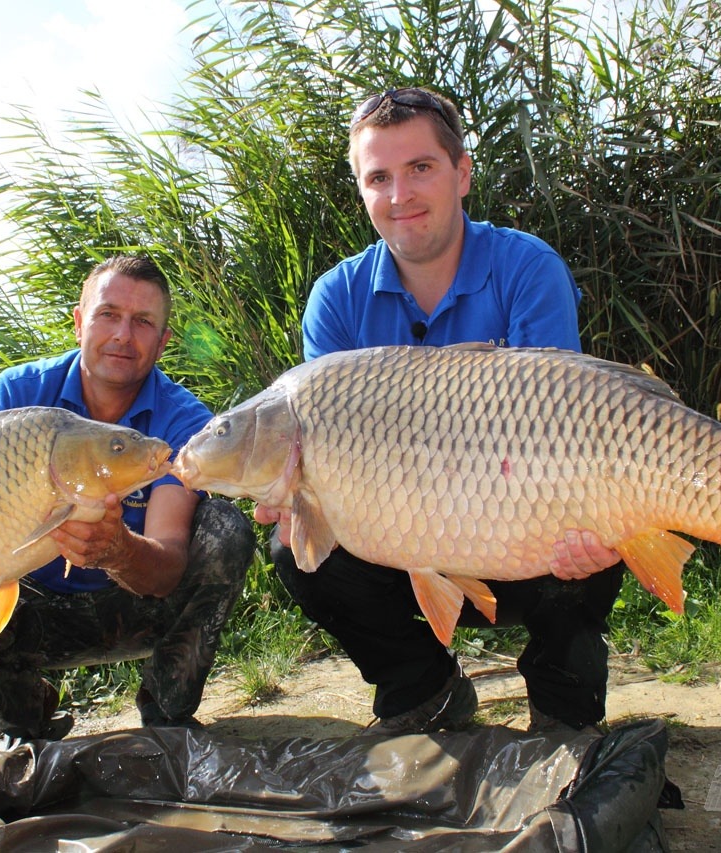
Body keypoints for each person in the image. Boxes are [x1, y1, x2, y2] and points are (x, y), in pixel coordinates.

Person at [256, 87, 625, 736]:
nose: (400, 195)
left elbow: (566, 432)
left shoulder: (527, 268)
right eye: (379, 177)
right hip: (396, 538)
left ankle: (565, 709)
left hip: (522, 527)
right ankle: (421, 689)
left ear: (462, 173)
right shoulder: (336, 300)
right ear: (362, 189)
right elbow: (328, 461)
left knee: (600, 517)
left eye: (420, 168)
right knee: (295, 542)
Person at [0, 255, 255, 740]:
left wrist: (118, 550)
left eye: (143, 322)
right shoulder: (18, 398)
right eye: (108, 314)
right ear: (80, 322)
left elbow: (167, 567)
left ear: (163, 342)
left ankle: (168, 716)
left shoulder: (178, 424)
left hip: (137, 607)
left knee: (225, 530)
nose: (123, 335)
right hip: (31, 609)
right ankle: (28, 724)